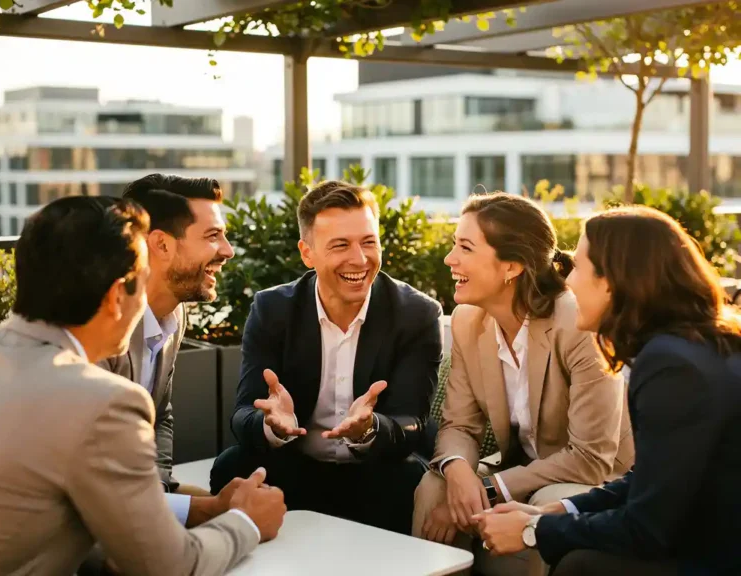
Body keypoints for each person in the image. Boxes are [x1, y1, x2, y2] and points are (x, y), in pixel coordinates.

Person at [0, 197, 285, 576]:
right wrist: (246, 521)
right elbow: (171, 566)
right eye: (143, 281)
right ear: (116, 296)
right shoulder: (101, 403)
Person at [475, 206, 741, 576]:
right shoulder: (695, 345)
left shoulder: (671, 365)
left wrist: (533, 530)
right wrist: (562, 510)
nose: (568, 283)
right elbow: (650, 476)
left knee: (580, 566)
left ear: (613, 281)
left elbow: (647, 528)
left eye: (580, 268)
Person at [413, 193, 634, 576]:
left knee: (546, 498)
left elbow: (590, 458)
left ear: (511, 266)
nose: (450, 259)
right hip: (524, 465)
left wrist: (487, 488)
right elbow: (460, 426)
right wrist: (458, 472)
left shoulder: (576, 323)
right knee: (435, 487)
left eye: (465, 247)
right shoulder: (468, 321)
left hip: (597, 478)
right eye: (453, 245)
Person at [210, 179, 443, 535]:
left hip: (377, 470)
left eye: (368, 242)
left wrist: (370, 428)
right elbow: (243, 413)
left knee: (411, 476)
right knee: (232, 467)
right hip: (296, 465)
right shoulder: (273, 309)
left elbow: (411, 421)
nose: (360, 259)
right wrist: (272, 426)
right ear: (308, 253)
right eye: (340, 245)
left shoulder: (416, 314)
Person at [97, 174, 235, 524]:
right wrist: (204, 509)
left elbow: (160, 415)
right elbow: (90, 473)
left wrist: (159, 490)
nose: (227, 251)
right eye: (212, 236)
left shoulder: (174, 313)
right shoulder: (96, 324)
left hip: (135, 496)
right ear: (160, 245)